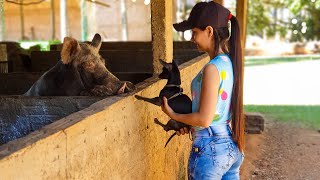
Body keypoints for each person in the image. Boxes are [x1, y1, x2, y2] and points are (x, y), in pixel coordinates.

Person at [161, 1, 245, 179]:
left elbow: (204, 119)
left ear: (209, 31)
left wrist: (173, 115)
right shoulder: (229, 63)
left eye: (194, 32)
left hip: (210, 150)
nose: (192, 38)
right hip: (230, 145)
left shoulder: (212, 69)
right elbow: (213, 114)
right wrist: (188, 124)